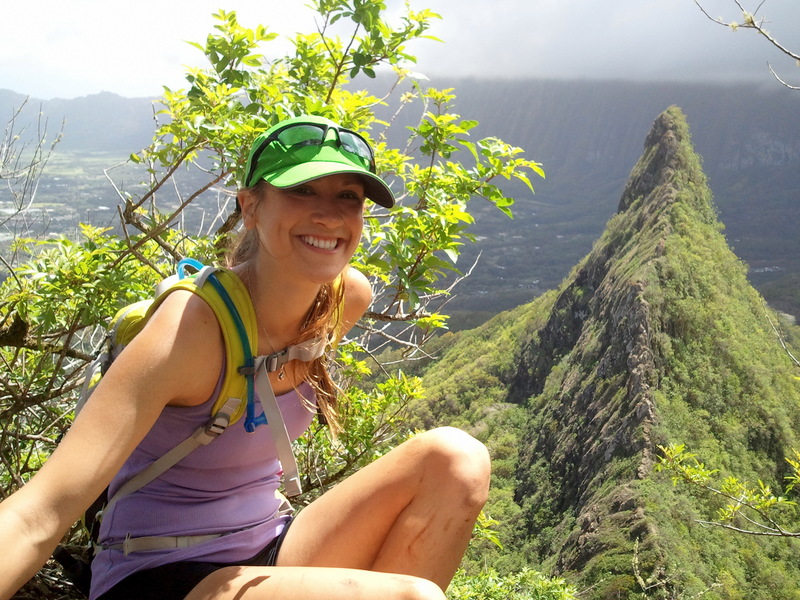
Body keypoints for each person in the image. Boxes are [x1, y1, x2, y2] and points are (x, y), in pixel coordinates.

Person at [0, 114, 491, 600]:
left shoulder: (344, 298)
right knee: (412, 596)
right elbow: (36, 515)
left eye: (348, 196)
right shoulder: (191, 329)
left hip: (268, 543)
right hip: (159, 568)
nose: (329, 215)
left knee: (455, 459)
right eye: (302, 190)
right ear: (250, 207)